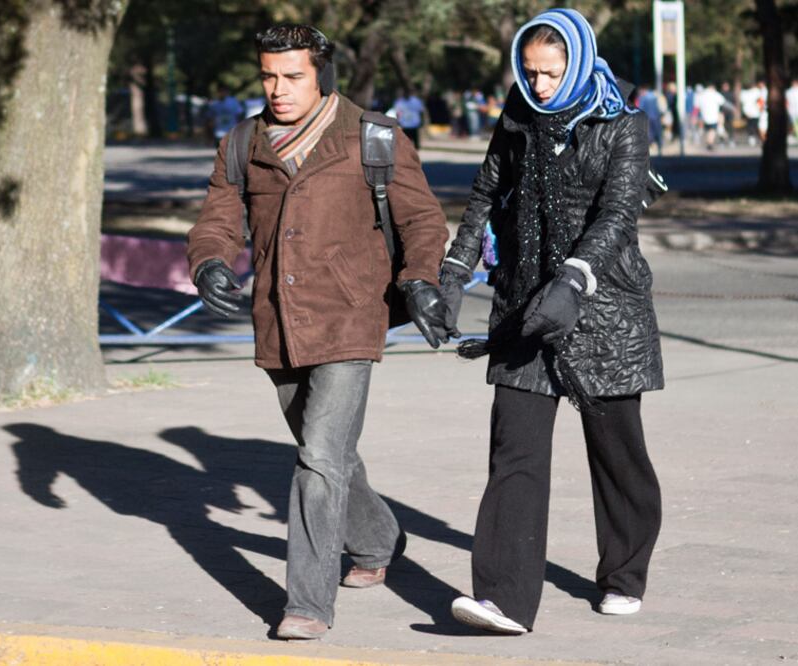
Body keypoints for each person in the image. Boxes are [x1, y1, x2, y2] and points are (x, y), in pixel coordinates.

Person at [186, 23, 452, 640]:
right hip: (277, 321)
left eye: (292, 76)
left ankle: (306, 602)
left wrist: (419, 280)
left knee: (319, 459)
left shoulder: (372, 136)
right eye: (268, 77)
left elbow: (422, 221)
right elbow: (216, 220)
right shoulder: (242, 142)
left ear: (322, 75)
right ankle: (380, 539)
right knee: (330, 454)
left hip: (351, 316)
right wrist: (209, 263)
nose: (277, 89)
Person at [440, 8, 664, 635]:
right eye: (530, 72)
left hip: (604, 311)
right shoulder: (517, 118)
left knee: (618, 455)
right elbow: (485, 195)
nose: (539, 86)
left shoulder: (622, 122)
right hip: (524, 309)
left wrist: (574, 279)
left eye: (551, 73)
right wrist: (454, 273)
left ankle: (623, 574)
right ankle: (504, 600)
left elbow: (618, 214)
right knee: (514, 451)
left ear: (581, 63)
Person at [697, 83, 729, 151]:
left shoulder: (702, 95)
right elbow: (723, 102)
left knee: (708, 130)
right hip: (713, 116)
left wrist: (695, 116)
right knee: (712, 130)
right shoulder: (715, 94)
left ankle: (709, 142)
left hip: (704, 116)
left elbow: (697, 106)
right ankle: (710, 143)